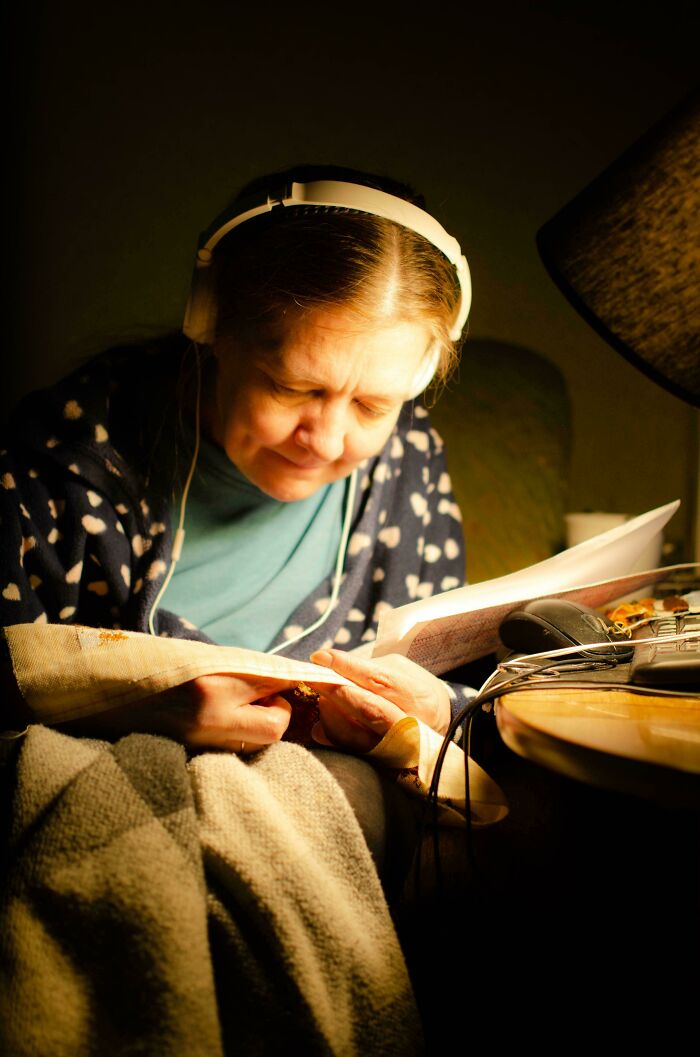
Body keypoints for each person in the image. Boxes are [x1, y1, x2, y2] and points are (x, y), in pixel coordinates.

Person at [1, 164, 474, 877]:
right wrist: (133, 708)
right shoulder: (63, 458)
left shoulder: (408, 466)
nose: (326, 437)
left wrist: (437, 708)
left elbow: (463, 681)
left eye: (374, 406)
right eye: (293, 386)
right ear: (212, 323)